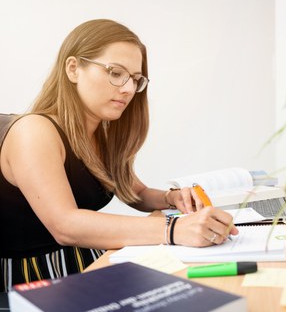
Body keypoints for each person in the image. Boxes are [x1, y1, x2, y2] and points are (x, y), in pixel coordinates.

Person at [0, 19, 239, 292]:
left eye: (136, 79)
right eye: (115, 73)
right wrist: (174, 230)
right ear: (74, 69)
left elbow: (133, 191)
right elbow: (65, 225)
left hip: (87, 260)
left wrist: (171, 197)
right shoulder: (34, 131)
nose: (127, 89)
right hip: (32, 278)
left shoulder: (99, 133)